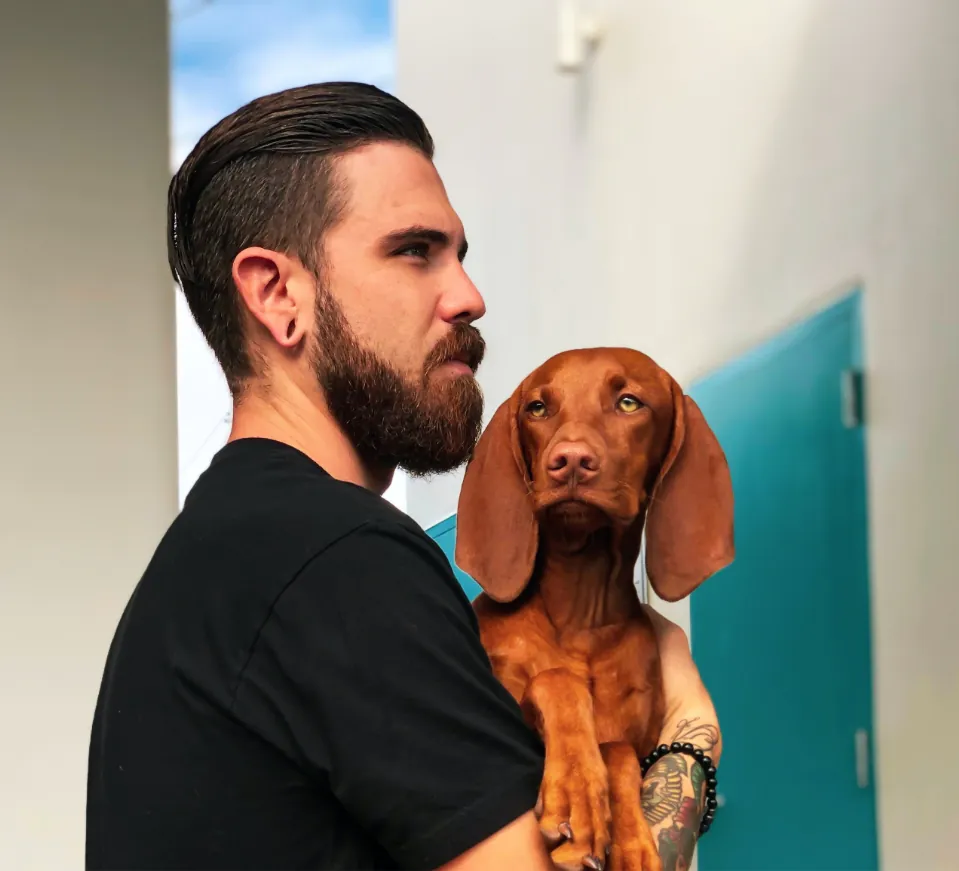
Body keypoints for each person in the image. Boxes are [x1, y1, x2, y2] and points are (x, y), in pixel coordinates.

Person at [85, 82, 722, 871]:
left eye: (460, 256)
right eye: (415, 252)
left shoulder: (210, 559)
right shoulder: (338, 560)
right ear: (278, 294)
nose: (469, 297)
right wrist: (688, 738)